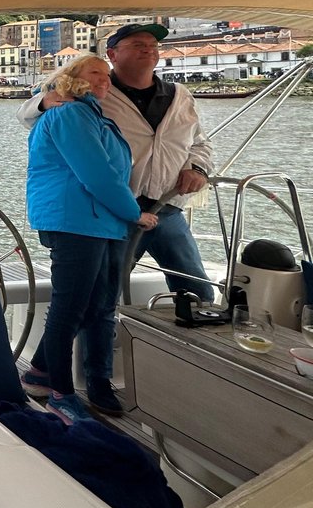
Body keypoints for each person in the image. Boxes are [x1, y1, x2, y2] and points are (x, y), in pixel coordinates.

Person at [19, 23, 216, 301]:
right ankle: (102, 344)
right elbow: (28, 116)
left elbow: (200, 142)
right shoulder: (93, 92)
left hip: (167, 208)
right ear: (112, 54)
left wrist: (197, 168)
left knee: (197, 288)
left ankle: (199, 339)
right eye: (137, 44)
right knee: (103, 296)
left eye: (152, 45)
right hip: (118, 209)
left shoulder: (180, 96)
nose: (148, 49)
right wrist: (44, 101)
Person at [21, 55, 159, 425]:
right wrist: (134, 212)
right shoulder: (70, 115)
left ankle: (38, 373)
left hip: (100, 222)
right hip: (75, 221)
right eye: (94, 72)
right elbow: (96, 174)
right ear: (72, 79)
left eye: (106, 74)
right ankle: (61, 395)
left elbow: (111, 171)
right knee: (70, 308)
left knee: (96, 305)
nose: (104, 79)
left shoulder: (94, 116)